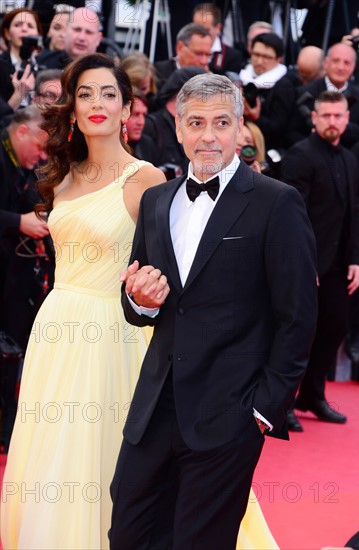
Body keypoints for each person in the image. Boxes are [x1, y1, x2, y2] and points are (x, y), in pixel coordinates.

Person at [109, 73, 318, 549]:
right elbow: (139, 298)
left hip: (231, 410)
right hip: (155, 408)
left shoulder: (276, 202)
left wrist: (265, 410)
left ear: (240, 129)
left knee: (200, 541)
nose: (208, 135)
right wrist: (138, 302)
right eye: (196, 122)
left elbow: (298, 315)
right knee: (127, 533)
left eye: (221, 122)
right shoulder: (156, 200)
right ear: (178, 128)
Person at [0, 52, 165, 549]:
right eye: (86, 93)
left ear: (126, 108)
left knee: (99, 448)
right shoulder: (61, 176)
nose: (96, 103)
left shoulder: (144, 179)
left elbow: (163, 273)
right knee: (53, 449)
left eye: (108, 94)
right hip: (56, 327)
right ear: (71, 109)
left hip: (111, 331)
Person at [282, 91, 359, 432]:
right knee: (297, 336)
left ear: (347, 118)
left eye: (338, 116)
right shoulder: (300, 156)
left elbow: (351, 214)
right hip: (306, 262)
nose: (332, 122)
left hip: (337, 263)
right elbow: (292, 217)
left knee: (335, 327)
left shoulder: (349, 158)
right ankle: (282, 403)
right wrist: (304, 264)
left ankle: (312, 396)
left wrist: (357, 259)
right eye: (326, 115)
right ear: (314, 118)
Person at [0, 104, 50, 453]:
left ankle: (8, 433)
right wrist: (19, 222)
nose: (43, 155)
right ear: (22, 132)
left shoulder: (21, 165)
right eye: (40, 146)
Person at [287, 43, 359, 149]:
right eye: (336, 61)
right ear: (325, 63)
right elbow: (290, 133)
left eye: (347, 63)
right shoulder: (305, 93)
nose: (341, 67)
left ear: (353, 67)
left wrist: (338, 127)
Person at [0, 8, 43, 108]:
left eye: (30, 26)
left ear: (38, 35)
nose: (24, 29)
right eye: (18, 25)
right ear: (7, 34)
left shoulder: (46, 67)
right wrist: (19, 95)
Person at [154, 23, 212, 89]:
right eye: (198, 54)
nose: (204, 62)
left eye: (208, 55)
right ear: (180, 48)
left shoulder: (211, 78)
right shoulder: (157, 73)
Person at [192, 3, 244, 75]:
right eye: (196, 29)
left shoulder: (233, 57)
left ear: (218, 28)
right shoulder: (186, 51)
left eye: (206, 30)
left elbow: (232, 85)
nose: (200, 34)